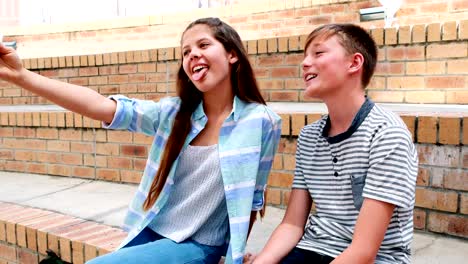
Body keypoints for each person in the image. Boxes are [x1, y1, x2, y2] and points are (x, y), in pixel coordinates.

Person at [0, 17, 281, 264]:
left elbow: (252, 197)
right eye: (186, 52)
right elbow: (101, 105)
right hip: (149, 231)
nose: (193, 54)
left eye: (203, 45)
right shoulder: (174, 113)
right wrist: (22, 77)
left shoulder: (261, 122)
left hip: (197, 245)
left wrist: (235, 253)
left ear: (232, 54)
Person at [249, 23, 418, 264]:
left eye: (318, 53)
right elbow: (292, 225)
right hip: (312, 249)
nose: (305, 63)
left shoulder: (386, 134)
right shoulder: (309, 137)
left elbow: (364, 251)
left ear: (354, 63)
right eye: (305, 56)